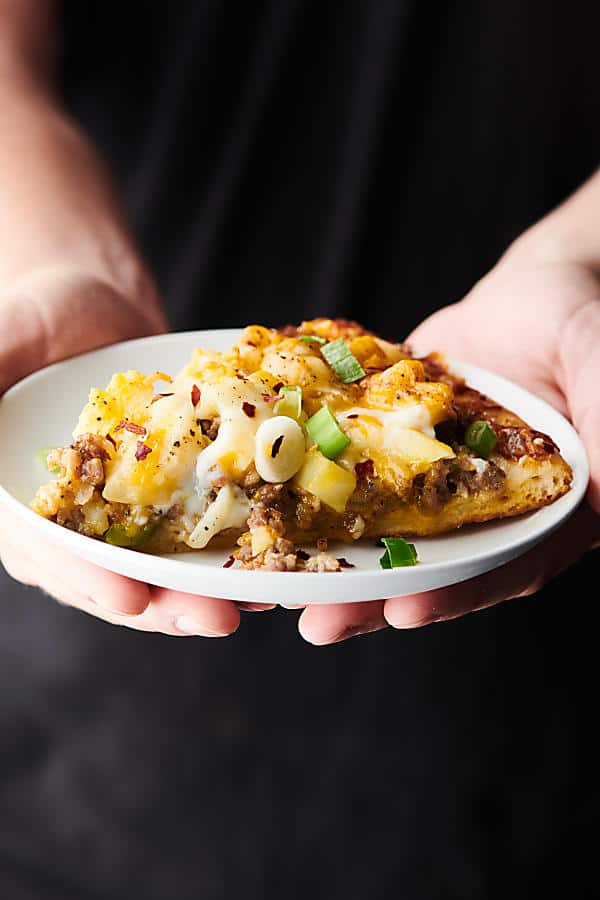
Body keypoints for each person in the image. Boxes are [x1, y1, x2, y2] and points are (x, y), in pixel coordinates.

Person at [0, 2, 598, 898]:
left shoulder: (472, 431)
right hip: (77, 767)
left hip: (516, 762)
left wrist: (578, 256)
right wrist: (55, 253)